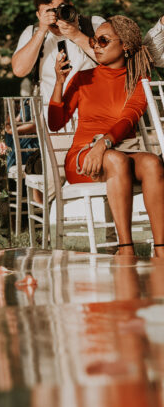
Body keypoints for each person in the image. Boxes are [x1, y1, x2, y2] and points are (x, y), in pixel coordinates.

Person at [48, 16, 164, 255]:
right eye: (94, 41)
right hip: (83, 157)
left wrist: (104, 143)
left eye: (103, 40)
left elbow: (128, 117)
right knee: (116, 159)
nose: (96, 46)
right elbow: (55, 123)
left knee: (152, 162)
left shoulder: (138, 79)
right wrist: (59, 82)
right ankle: (125, 248)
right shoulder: (83, 79)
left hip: (113, 151)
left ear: (125, 46)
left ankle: (161, 248)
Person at [11, 0, 105, 115]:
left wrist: (76, 35)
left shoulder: (94, 24)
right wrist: (42, 29)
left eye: (59, 10)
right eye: (48, 13)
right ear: (38, 15)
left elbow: (112, 59)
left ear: (70, 6)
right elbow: (19, 70)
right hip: (53, 118)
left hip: (97, 113)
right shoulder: (32, 33)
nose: (55, 17)